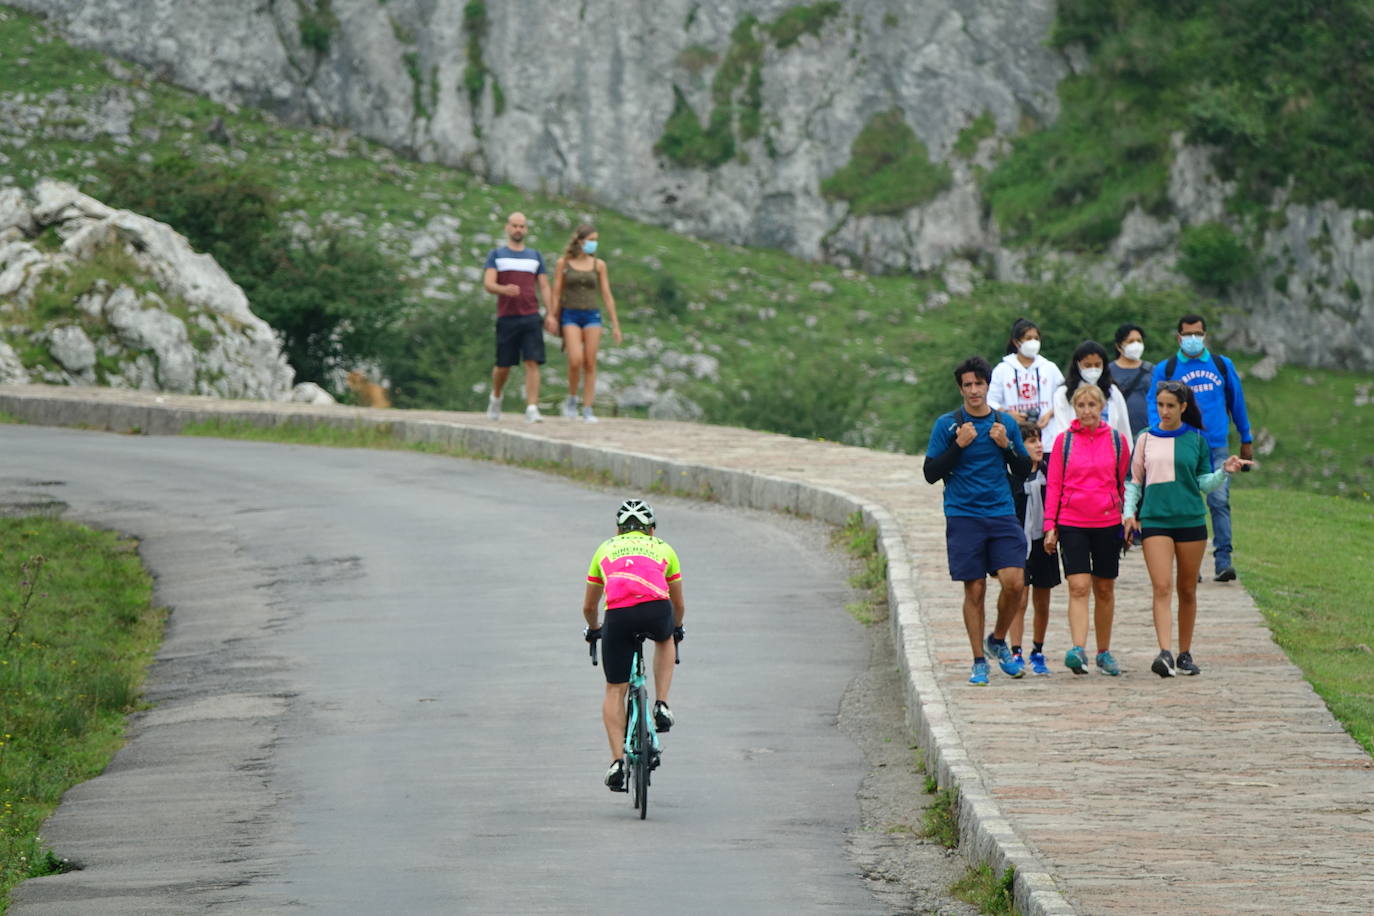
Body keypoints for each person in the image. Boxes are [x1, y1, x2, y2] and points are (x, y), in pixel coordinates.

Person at [1123, 382, 1252, 677]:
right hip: (1155, 521)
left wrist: (1223, 472)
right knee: (1162, 586)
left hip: (1191, 521)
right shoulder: (1145, 439)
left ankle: (1184, 653)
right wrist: (1129, 514)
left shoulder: (1196, 439)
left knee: (1187, 590)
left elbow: (1202, 482)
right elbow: (1134, 481)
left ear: (1183, 407)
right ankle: (1164, 652)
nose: (1164, 411)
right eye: (1160, 405)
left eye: (1170, 405)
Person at [924, 356, 1033, 686]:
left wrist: (1008, 446)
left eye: (979, 384)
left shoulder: (1004, 424)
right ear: (960, 389)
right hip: (963, 514)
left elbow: (1024, 470)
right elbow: (931, 473)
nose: (974, 390)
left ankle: (997, 640)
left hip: (1001, 512)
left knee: (1015, 583)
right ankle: (977, 662)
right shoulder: (948, 425)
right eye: (967, 385)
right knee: (975, 589)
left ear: (988, 386)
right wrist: (958, 446)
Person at [582, 499, 686, 791]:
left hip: (618, 617)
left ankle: (616, 762)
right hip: (656, 610)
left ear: (618, 531)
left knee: (615, 688)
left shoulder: (605, 549)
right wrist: (676, 628)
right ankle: (662, 704)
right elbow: (677, 603)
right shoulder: (664, 547)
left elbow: (590, 606)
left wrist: (594, 629)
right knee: (666, 639)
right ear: (651, 530)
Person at [1147, 314, 1254, 582]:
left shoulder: (1221, 365)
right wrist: (1156, 433)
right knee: (1184, 503)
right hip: (1182, 444)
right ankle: (1189, 565)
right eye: (1188, 334)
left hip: (1216, 443)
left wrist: (1246, 437)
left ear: (1205, 335)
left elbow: (1236, 401)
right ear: (1179, 337)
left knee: (1218, 501)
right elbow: (1154, 403)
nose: (1193, 339)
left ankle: (1223, 561)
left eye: (1198, 334)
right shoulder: (1167, 369)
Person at [1043, 384, 1131, 676]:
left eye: (1093, 405)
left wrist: (1127, 516)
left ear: (1102, 407)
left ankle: (1103, 652)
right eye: (1081, 405)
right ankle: (1077, 649)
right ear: (1074, 408)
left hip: (1107, 522)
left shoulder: (1117, 441)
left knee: (1104, 588)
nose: (1087, 410)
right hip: (1072, 522)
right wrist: (1050, 526)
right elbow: (1054, 485)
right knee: (1078, 586)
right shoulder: (1063, 442)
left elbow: (1123, 482)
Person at [483, 212, 555, 423]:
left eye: (522, 226)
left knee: (532, 361)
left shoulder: (535, 256)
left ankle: (532, 407)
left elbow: (544, 285)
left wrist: (551, 313)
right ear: (507, 228)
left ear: (526, 229)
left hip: (531, 315)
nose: (518, 230)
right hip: (507, 317)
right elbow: (488, 284)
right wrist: (504, 290)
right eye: (514, 226)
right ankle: (496, 396)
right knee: (503, 365)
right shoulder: (496, 254)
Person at [550, 224, 622, 424]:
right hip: (570, 315)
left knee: (590, 362)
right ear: (580, 241)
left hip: (592, 316)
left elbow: (606, 295)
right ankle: (572, 398)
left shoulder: (599, 265)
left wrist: (615, 324)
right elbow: (557, 292)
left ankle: (588, 407)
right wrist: (552, 316)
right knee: (575, 360)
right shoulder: (564, 263)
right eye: (590, 239)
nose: (593, 243)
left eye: (595, 240)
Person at [1006, 423, 1060, 676]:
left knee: (1043, 598)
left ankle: (1037, 650)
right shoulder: (1011, 476)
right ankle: (1015, 650)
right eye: (1030, 441)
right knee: (1019, 598)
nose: (1038, 445)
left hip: (1044, 540)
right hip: (1018, 542)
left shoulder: (1050, 472)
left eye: (1039, 440)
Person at [1043, 340, 1132, 447]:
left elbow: (1123, 427)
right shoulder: (1064, 393)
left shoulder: (1112, 391)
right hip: (1076, 451)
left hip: (1109, 450)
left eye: (1097, 365)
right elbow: (1062, 429)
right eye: (1088, 365)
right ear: (1078, 365)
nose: (1093, 369)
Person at [988, 317, 1064, 433]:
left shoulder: (1049, 368)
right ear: (1016, 342)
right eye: (1028, 338)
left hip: (1048, 436)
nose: (1033, 342)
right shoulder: (1002, 370)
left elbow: (1065, 396)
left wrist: (1049, 413)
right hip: (1013, 435)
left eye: (1036, 338)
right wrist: (1008, 413)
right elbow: (990, 401)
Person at [1111, 323, 1155, 440]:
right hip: (1117, 434)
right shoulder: (1109, 371)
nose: (1136, 345)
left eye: (1139, 341)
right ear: (1119, 346)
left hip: (1148, 432)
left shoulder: (1151, 370)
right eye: (1130, 341)